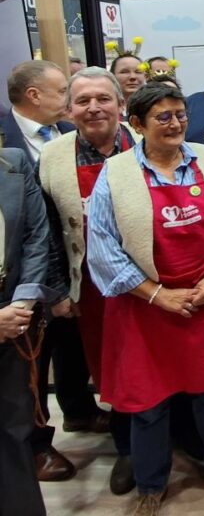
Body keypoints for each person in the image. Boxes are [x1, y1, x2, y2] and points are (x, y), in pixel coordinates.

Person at [87, 83, 204, 514]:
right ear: (138, 124)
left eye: (180, 114)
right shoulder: (118, 173)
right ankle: (151, 485)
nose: (177, 123)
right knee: (148, 405)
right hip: (145, 310)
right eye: (164, 117)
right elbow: (103, 248)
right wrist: (158, 295)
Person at [39, 67, 140, 494]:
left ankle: (177, 437)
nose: (93, 108)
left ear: (121, 105)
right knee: (112, 371)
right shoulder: (52, 157)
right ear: (68, 109)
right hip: (94, 290)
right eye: (82, 101)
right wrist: (59, 291)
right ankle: (130, 449)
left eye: (103, 98)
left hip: (151, 280)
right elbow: (45, 234)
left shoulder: (146, 142)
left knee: (157, 363)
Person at [0, 60, 93, 483]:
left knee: (71, 347)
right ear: (34, 95)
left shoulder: (69, 135)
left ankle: (80, 411)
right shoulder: (7, 140)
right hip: (21, 277)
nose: (70, 100)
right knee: (33, 368)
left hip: (68, 265)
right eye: (63, 92)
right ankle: (37, 446)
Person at [0, 145, 51, 516]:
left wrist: (22, 304)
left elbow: (36, 236)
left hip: (14, 316)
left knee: (14, 428)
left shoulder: (13, 162)